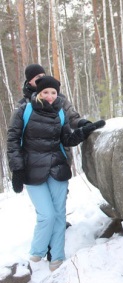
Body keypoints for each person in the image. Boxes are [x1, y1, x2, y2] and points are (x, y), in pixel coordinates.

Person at [7, 76, 105, 271]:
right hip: (32, 171)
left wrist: (85, 131)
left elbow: (67, 139)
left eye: (53, 92)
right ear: (38, 93)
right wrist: (16, 169)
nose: (50, 96)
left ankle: (57, 258)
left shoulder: (60, 111)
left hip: (58, 170)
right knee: (46, 215)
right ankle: (36, 255)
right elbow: (13, 140)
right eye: (46, 92)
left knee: (59, 215)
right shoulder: (24, 111)